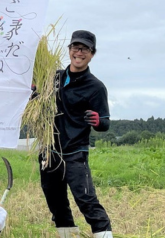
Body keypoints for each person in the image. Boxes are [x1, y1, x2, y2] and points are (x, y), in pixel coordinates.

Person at [38, 30, 113, 238]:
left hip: (75, 153)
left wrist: (98, 121)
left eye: (85, 49)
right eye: (75, 48)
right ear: (69, 50)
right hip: (49, 151)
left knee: (86, 200)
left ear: (92, 54)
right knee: (56, 203)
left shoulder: (96, 87)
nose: (79, 52)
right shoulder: (53, 78)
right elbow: (37, 99)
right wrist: (34, 91)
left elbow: (105, 123)